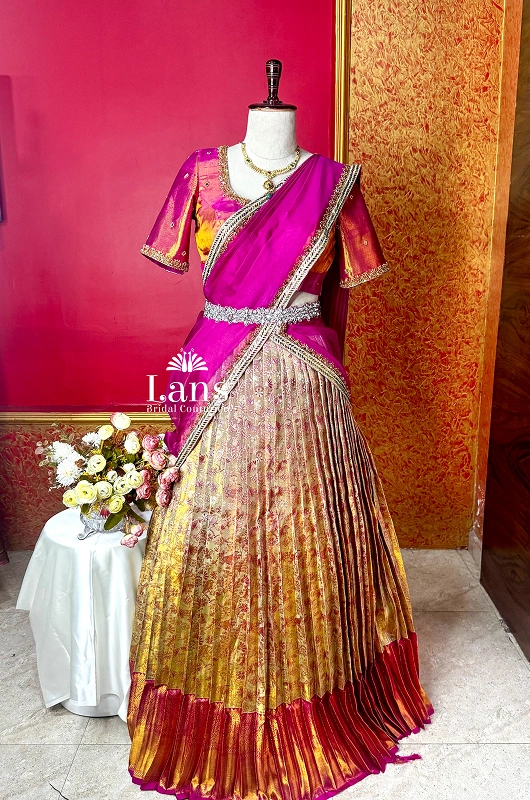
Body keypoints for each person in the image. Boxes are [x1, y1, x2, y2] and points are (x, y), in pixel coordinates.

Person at [127, 107, 434, 799]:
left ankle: (320, 690)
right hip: (215, 374)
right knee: (214, 532)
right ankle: (210, 695)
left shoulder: (335, 183)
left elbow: (342, 285)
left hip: (307, 384)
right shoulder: (200, 172)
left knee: (310, 530)